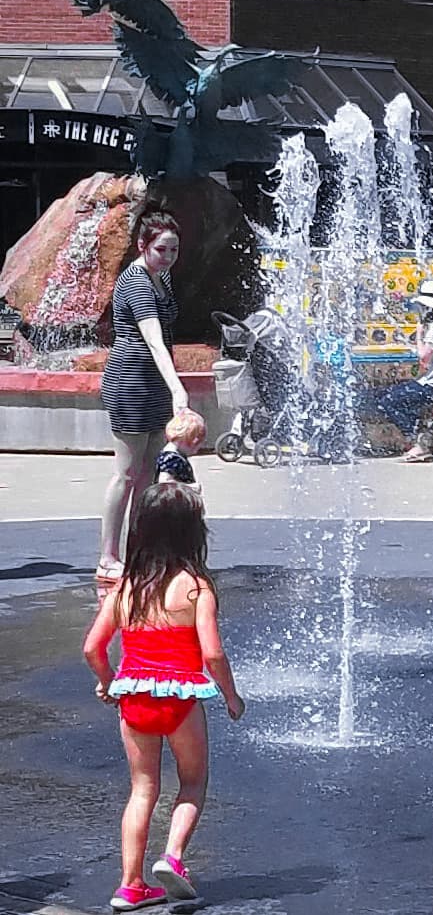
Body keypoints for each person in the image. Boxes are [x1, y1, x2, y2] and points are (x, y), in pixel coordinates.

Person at [83, 483, 245, 912]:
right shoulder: (196, 587)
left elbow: (92, 647)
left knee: (142, 789)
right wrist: (231, 696)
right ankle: (172, 856)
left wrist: (108, 680)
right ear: (193, 532)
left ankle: (130, 885)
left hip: (134, 696)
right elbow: (212, 653)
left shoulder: (126, 588)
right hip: (181, 700)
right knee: (192, 781)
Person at [98, 211, 189, 604]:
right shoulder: (136, 282)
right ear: (142, 246)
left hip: (153, 385)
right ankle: (107, 556)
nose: (168, 256)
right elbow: (152, 339)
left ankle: (139, 551)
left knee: (150, 475)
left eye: (173, 250)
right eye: (160, 249)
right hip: (130, 382)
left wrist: (168, 387)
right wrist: (178, 388)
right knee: (126, 473)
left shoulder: (161, 277)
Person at [365, 278, 433, 463]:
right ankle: (419, 433)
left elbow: (424, 359)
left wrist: (419, 334)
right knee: (390, 394)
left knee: (387, 400)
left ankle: (417, 442)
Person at [155, 408, 206, 495]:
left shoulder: (169, 454)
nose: (197, 449)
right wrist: (189, 487)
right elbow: (164, 482)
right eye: (196, 444)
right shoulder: (172, 458)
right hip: (173, 502)